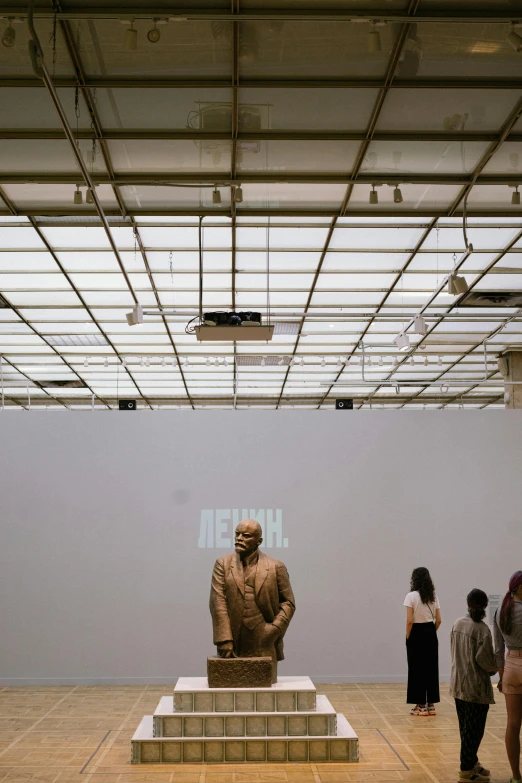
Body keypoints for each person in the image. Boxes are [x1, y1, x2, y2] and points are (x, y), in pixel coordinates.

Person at [209, 518, 295, 683]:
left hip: (264, 635)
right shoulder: (223, 564)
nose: (239, 538)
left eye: (246, 535)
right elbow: (217, 601)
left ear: (259, 541)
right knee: (231, 683)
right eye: (237, 534)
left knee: (264, 683)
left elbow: (288, 602)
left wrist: (275, 628)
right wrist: (224, 638)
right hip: (234, 635)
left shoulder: (276, 566)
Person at [450, 589, 497, 783]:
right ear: (485, 606)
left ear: (468, 604)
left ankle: (472, 761)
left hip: (458, 685)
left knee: (466, 729)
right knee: (475, 730)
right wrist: (496, 667)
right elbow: (486, 663)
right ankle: (466, 770)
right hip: (475, 689)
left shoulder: (457, 624)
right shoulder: (482, 630)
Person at [493, 570, 522, 783]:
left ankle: (515, 776)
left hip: (511, 667)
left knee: (512, 725)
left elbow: (498, 650)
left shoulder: (500, 611)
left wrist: (501, 678)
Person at [404, 566, 441, 716]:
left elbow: (409, 621)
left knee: (416, 669)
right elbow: (439, 620)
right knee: (431, 669)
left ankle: (420, 706)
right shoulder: (434, 597)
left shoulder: (411, 596)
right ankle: (431, 705)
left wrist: (408, 637)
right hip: (431, 633)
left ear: (414, 579)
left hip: (416, 633)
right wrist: (430, 633)